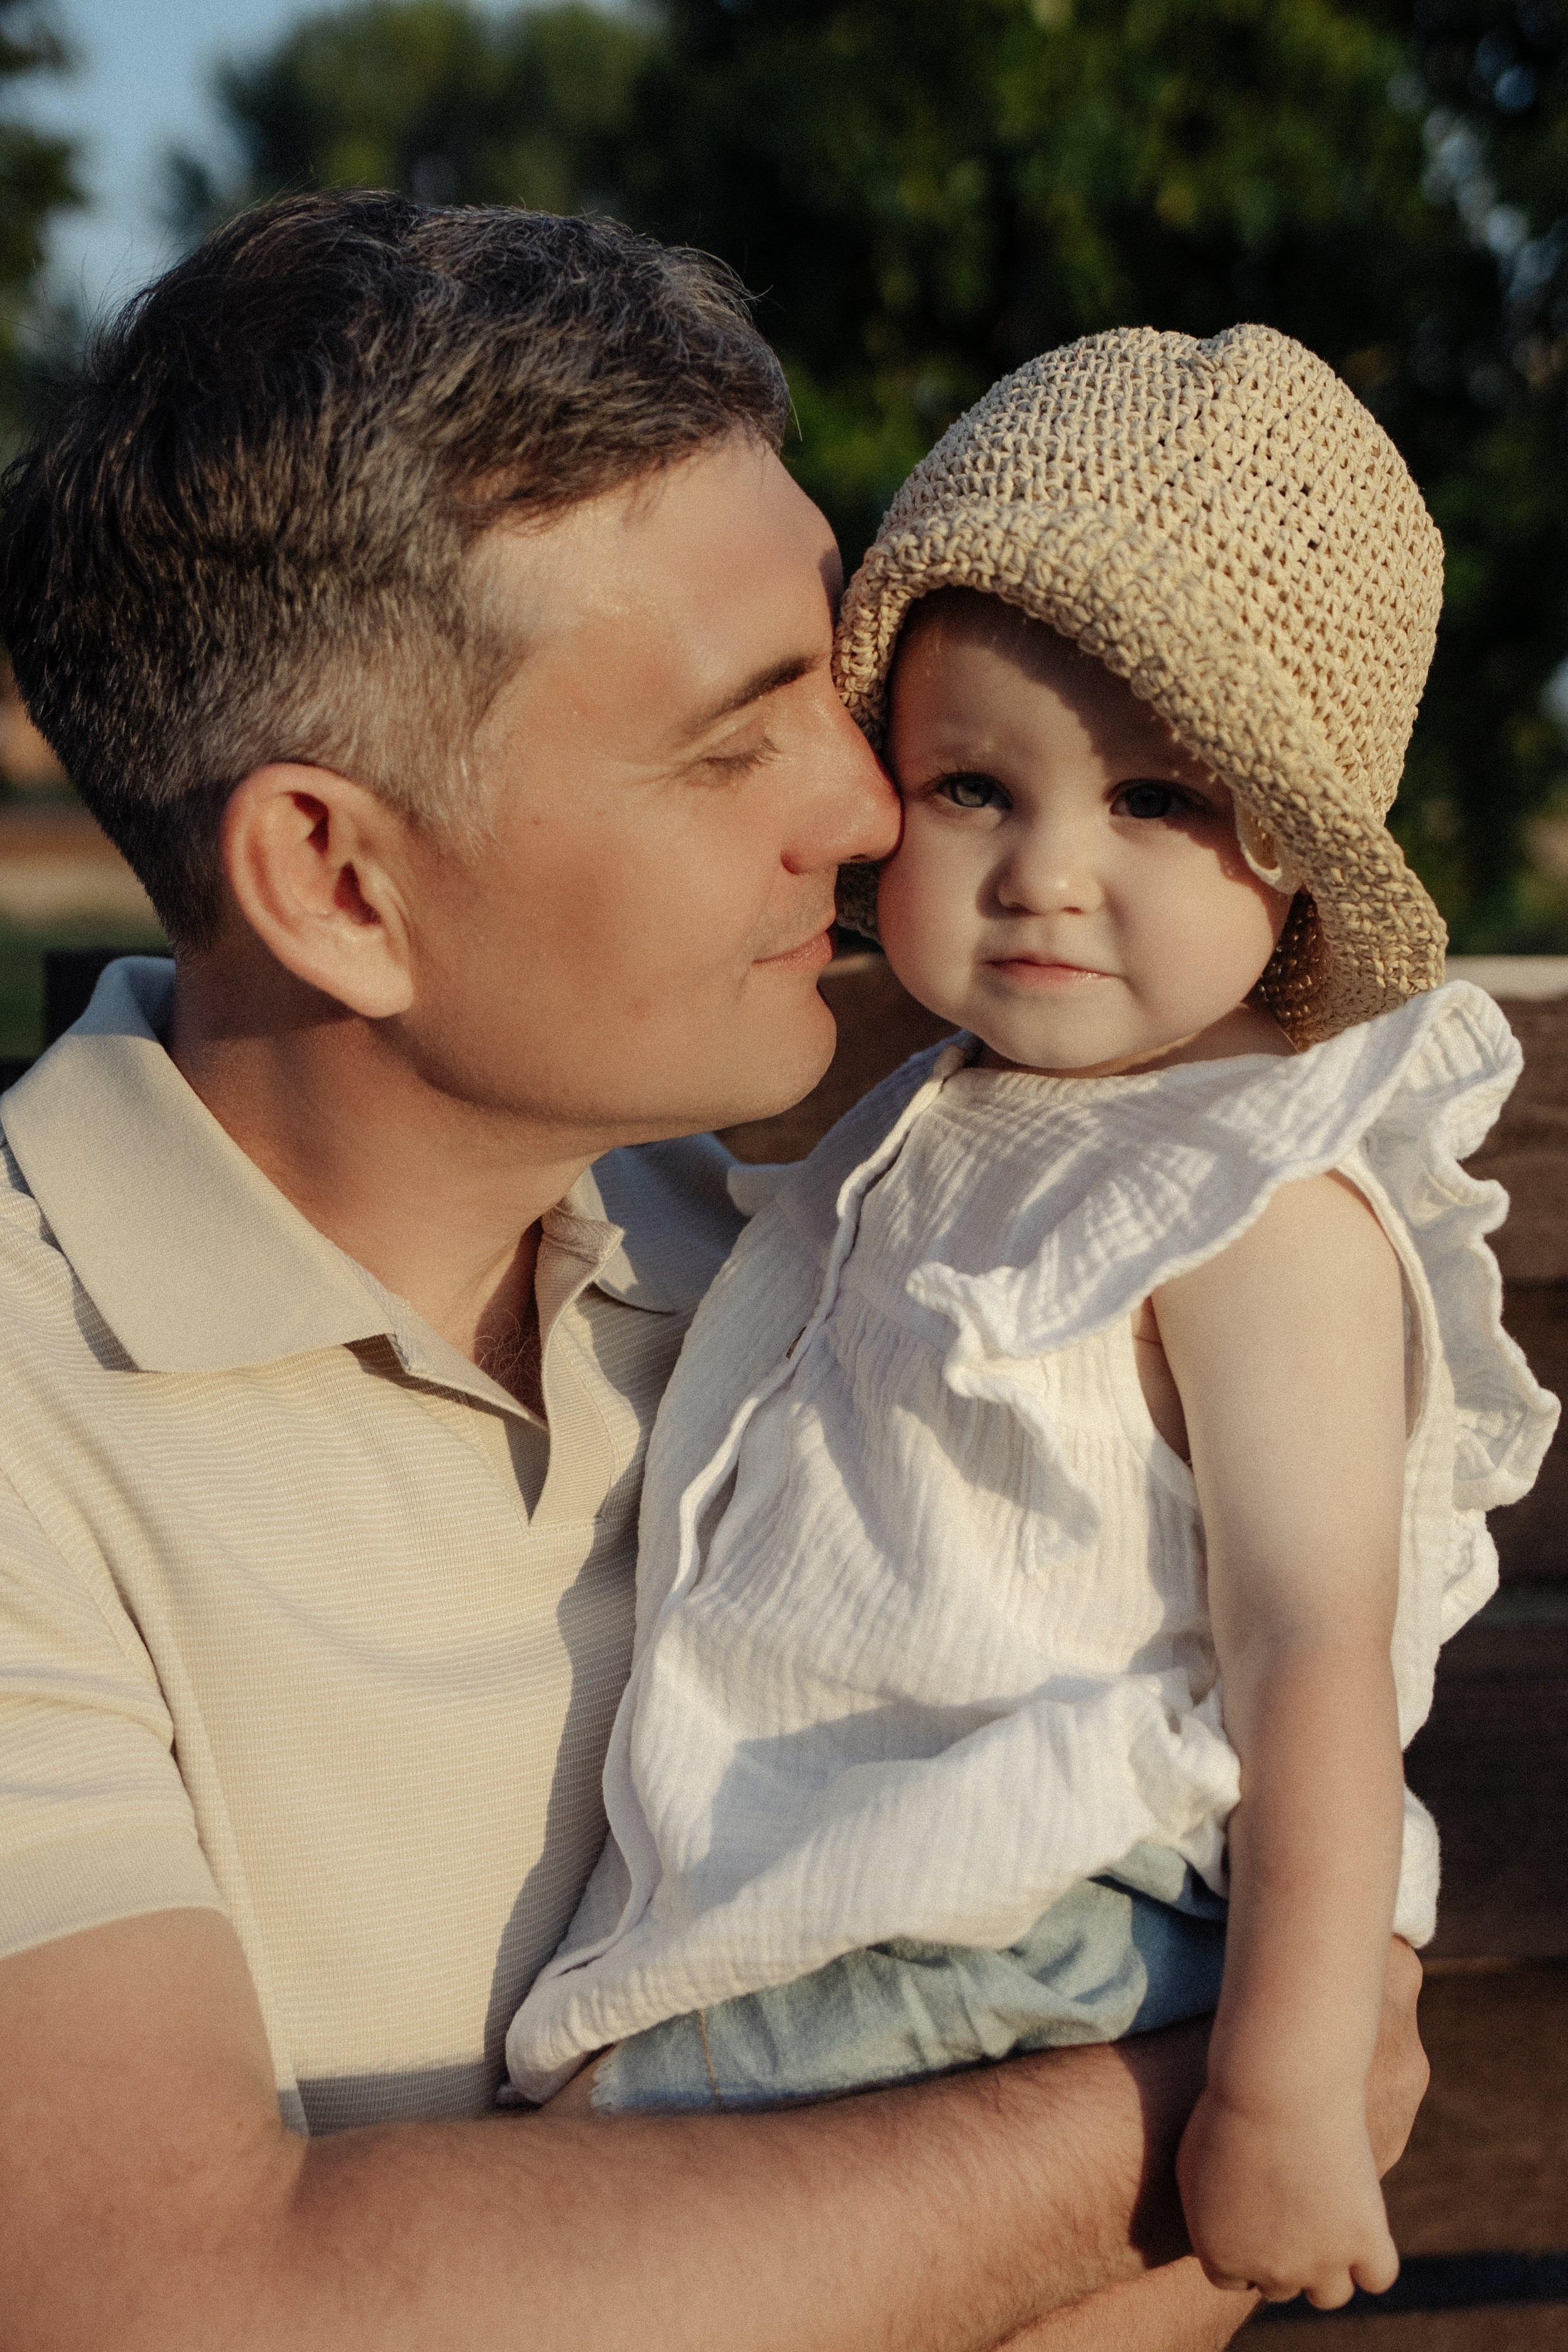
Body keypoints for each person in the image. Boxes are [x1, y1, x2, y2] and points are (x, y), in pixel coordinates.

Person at [0, 200, 1426, 2351]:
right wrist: (1170, 2112)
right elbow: (159, 2304)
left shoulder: (827, 1278)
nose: (870, 809)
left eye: (847, 697)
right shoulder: (32, 1424)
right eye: (737, 735)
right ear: (337, 879)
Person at [507, 327, 1559, 2309]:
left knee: (561, 2236)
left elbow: (1315, 1651)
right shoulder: (943, 1124)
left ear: (1295, 854)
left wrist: (1284, 2086)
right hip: (878, 1914)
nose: (1047, 876)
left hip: (1043, 1918)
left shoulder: (1262, 1201)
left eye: (1155, 799)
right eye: (975, 787)